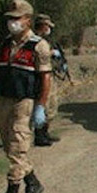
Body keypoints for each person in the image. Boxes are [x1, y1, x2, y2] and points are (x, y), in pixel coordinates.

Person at [0, 0, 52, 193]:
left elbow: (45, 78)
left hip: (24, 102)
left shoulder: (38, 46)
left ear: (27, 20)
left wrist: (41, 107)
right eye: (10, 19)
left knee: (18, 145)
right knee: (9, 147)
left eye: (16, 18)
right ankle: (33, 182)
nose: (12, 23)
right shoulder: (5, 44)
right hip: (4, 100)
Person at [32, 14, 65, 146]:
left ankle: (45, 133)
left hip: (49, 76)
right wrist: (50, 53)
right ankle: (39, 136)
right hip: (40, 78)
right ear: (43, 25)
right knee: (42, 106)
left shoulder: (46, 40)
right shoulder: (34, 40)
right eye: (48, 26)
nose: (49, 29)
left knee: (51, 106)